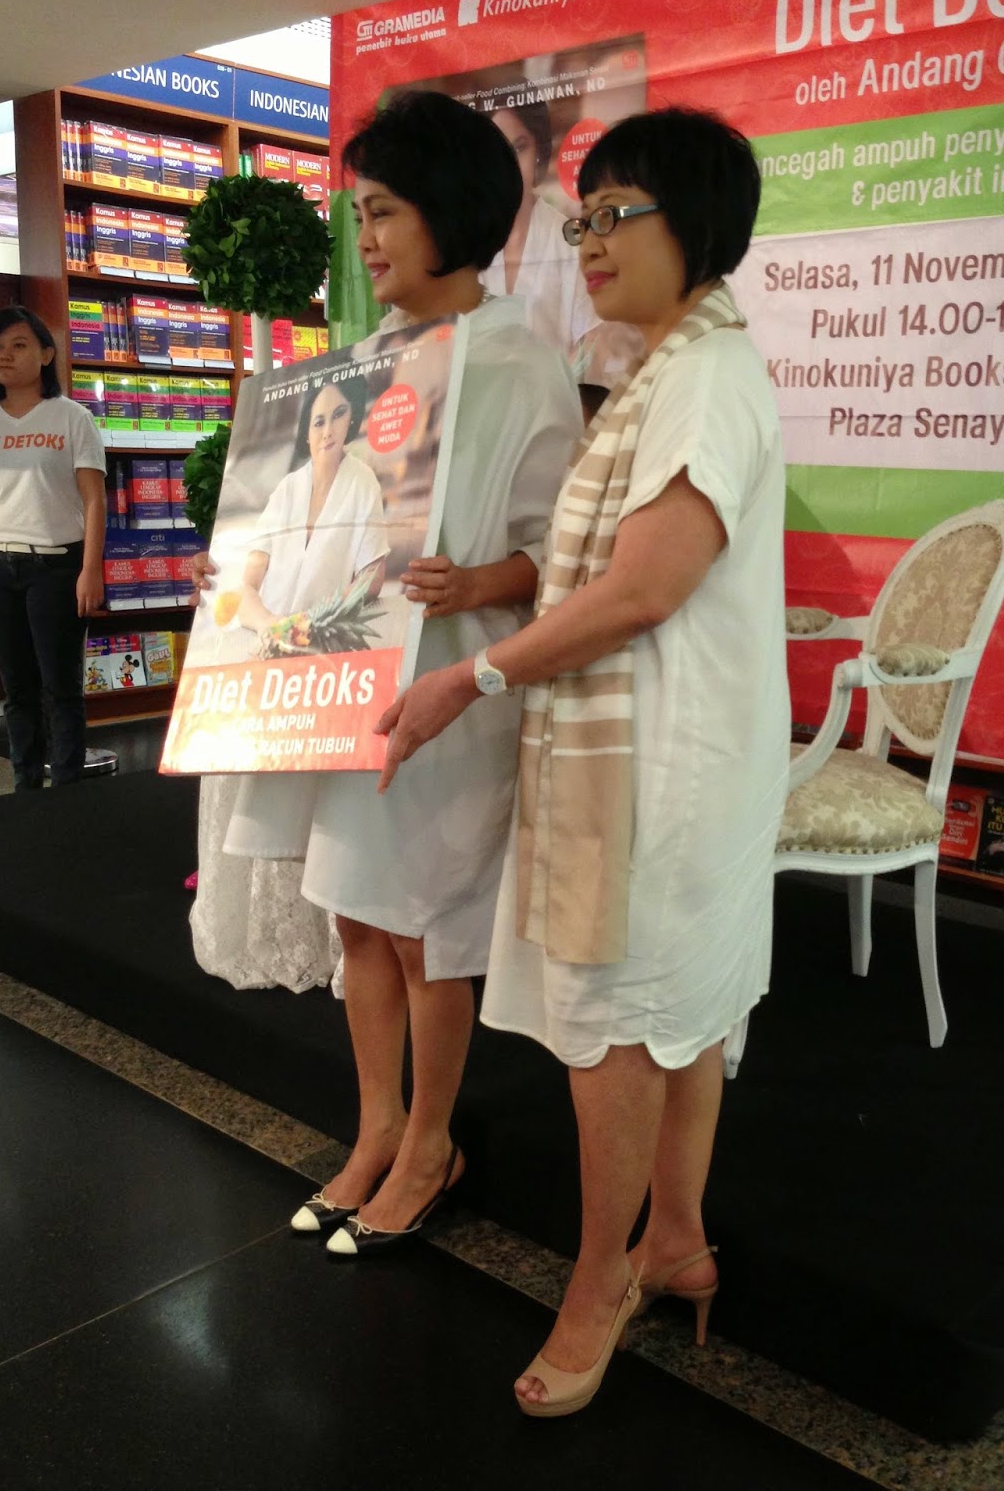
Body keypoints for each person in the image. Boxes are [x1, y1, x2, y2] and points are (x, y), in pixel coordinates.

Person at [376, 108, 790, 1414]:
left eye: (618, 215)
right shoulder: (678, 367)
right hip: (675, 758)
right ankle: (676, 1241)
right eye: (582, 218)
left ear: (699, 224)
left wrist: (471, 675)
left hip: (661, 770)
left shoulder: (703, 380)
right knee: (680, 1013)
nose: (591, 242)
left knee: (617, 1028)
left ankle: (602, 1279)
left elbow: (645, 588)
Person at [197, 90, 583, 1247]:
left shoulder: (521, 363)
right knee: (357, 916)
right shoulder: (355, 367)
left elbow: (567, 555)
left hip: (451, 693)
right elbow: (304, 526)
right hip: (351, 684)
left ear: (450, 212)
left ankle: (429, 1140)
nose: (363, 239)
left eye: (384, 213)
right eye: (357, 215)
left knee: (424, 926)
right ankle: (374, 1130)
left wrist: (479, 580)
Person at [0, 306, 106, 790]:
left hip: (56, 567)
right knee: (17, 689)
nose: (5, 356)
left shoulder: (73, 418)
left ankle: (68, 793)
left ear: (46, 354)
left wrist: (91, 569)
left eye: (19, 345)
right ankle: (25, 790)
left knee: (61, 687)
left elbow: (94, 499)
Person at [483, 100, 641, 396]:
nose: (508, 167)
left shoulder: (570, 240)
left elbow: (594, 349)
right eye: (494, 154)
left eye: (519, 148)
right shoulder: (469, 250)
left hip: (563, 407)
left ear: (539, 154)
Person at [236, 374, 387, 638]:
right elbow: (248, 585)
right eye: (318, 422)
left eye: (338, 415)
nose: (328, 431)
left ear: (351, 417)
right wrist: (268, 623)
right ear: (307, 433)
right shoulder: (287, 489)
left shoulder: (362, 482)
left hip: (323, 636)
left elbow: (372, 576)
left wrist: (314, 619)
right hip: (270, 636)